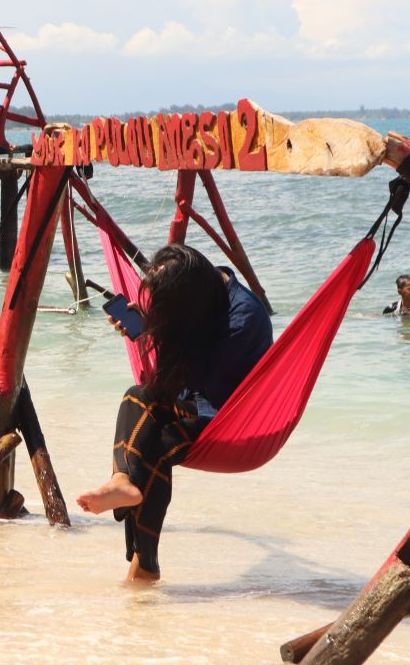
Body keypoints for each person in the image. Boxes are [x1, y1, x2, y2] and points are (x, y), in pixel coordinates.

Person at [75, 244, 272, 582]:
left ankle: (144, 566)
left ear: (187, 303)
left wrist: (154, 332)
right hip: (196, 399)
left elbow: (186, 382)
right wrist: (150, 328)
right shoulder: (200, 296)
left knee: (156, 445)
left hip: (228, 418)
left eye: (169, 309)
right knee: (136, 396)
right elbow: (165, 386)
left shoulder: (243, 320)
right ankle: (122, 483)